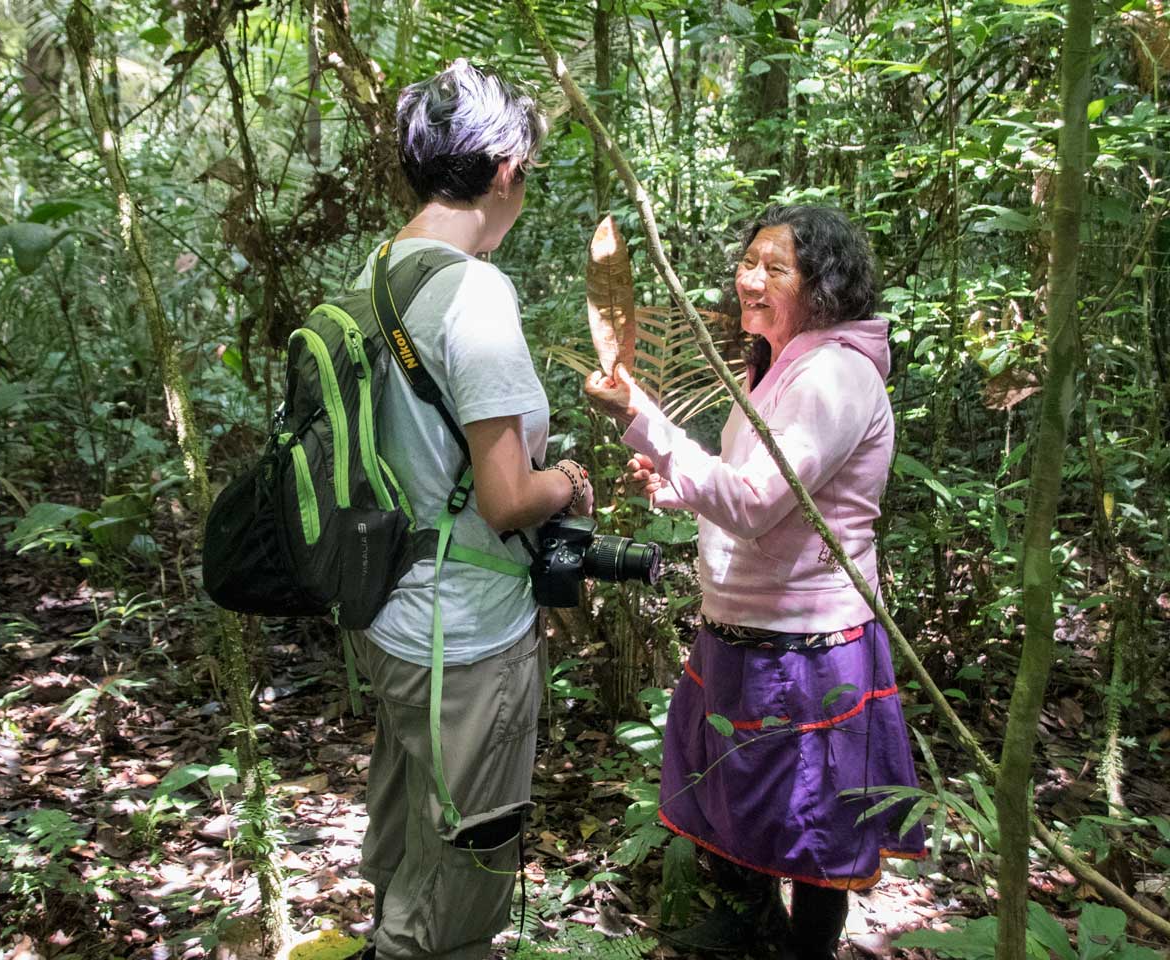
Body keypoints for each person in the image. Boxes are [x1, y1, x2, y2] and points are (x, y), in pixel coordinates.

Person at [585, 204, 924, 960]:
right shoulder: (777, 366)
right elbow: (747, 489)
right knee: (740, 796)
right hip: (747, 627)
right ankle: (753, 930)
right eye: (749, 262)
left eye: (777, 268)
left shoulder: (833, 374)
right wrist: (674, 480)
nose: (751, 279)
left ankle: (802, 952)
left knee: (817, 824)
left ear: (824, 286)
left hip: (807, 639)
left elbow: (757, 503)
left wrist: (644, 420)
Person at [349, 60, 592, 960]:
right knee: (462, 877)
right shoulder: (474, 292)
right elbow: (504, 499)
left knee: (410, 832)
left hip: (392, 616)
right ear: (504, 168)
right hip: (467, 633)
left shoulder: (382, 272)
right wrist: (567, 483)